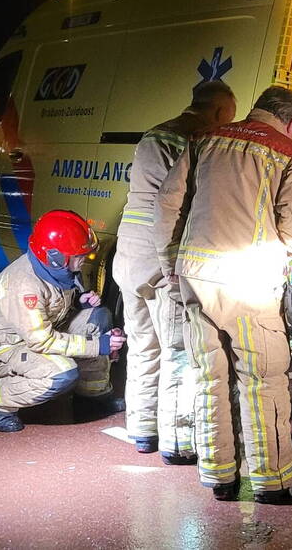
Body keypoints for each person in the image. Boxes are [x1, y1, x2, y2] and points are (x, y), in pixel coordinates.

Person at [154, 86, 292, 504]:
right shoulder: (289, 152)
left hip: (195, 276)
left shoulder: (206, 138)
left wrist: (170, 261)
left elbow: (169, 202)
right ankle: (274, 481)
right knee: (262, 380)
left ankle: (219, 476)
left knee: (209, 377)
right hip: (249, 281)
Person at [113, 81, 236, 462]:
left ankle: (143, 429)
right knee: (178, 350)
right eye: (230, 114)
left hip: (128, 254)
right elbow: (187, 204)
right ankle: (178, 442)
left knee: (143, 346)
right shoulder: (195, 139)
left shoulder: (155, 134)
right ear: (218, 112)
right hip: (161, 255)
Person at [0, 210, 126, 433]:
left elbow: (52, 309)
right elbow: (41, 340)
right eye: (79, 255)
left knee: (98, 317)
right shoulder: (23, 286)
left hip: (40, 331)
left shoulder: (57, 270)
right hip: (4, 347)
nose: (84, 259)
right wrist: (98, 345)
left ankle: (92, 394)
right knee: (62, 373)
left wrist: (80, 303)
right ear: (55, 257)